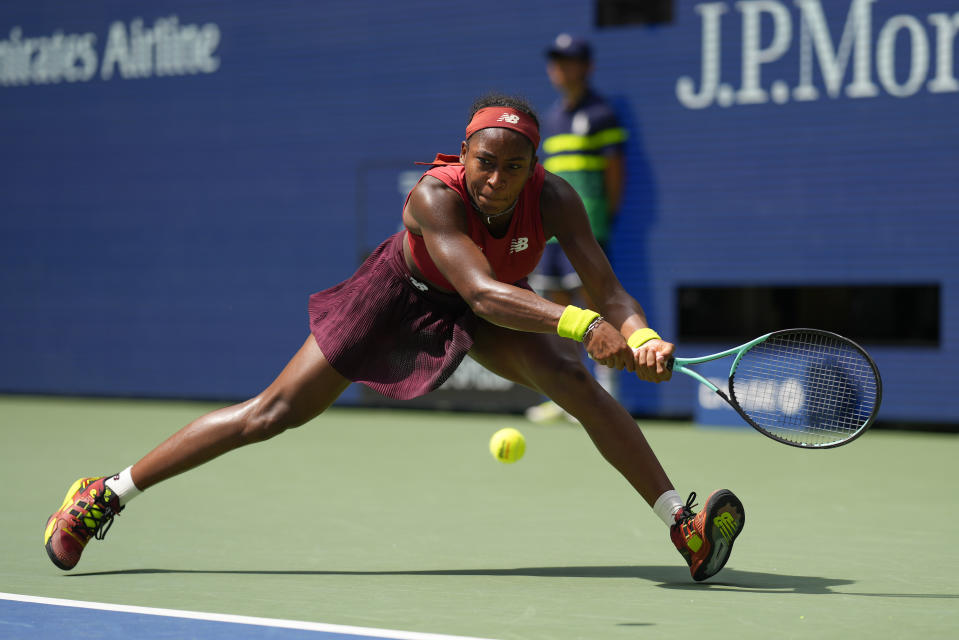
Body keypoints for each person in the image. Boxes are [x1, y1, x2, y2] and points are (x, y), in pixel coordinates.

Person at [43, 93, 744, 582]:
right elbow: (477, 290)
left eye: (513, 166)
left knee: (571, 383)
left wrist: (638, 331)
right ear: (462, 155)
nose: (496, 180)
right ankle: (104, 493)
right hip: (397, 297)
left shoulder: (555, 198)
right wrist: (581, 324)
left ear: (535, 166)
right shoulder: (433, 199)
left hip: (492, 307)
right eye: (484, 163)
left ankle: (679, 522)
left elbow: (606, 286)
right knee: (271, 414)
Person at [526, 33, 630, 423]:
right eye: (556, 60)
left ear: (587, 67)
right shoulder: (550, 118)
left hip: (586, 228)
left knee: (595, 303)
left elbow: (615, 176)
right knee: (556, 310)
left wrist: (600, 221)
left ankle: (607, 393)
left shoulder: (601, 114)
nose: (561, 68)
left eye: (570, 60)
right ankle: (567, 392)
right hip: (549, 231)